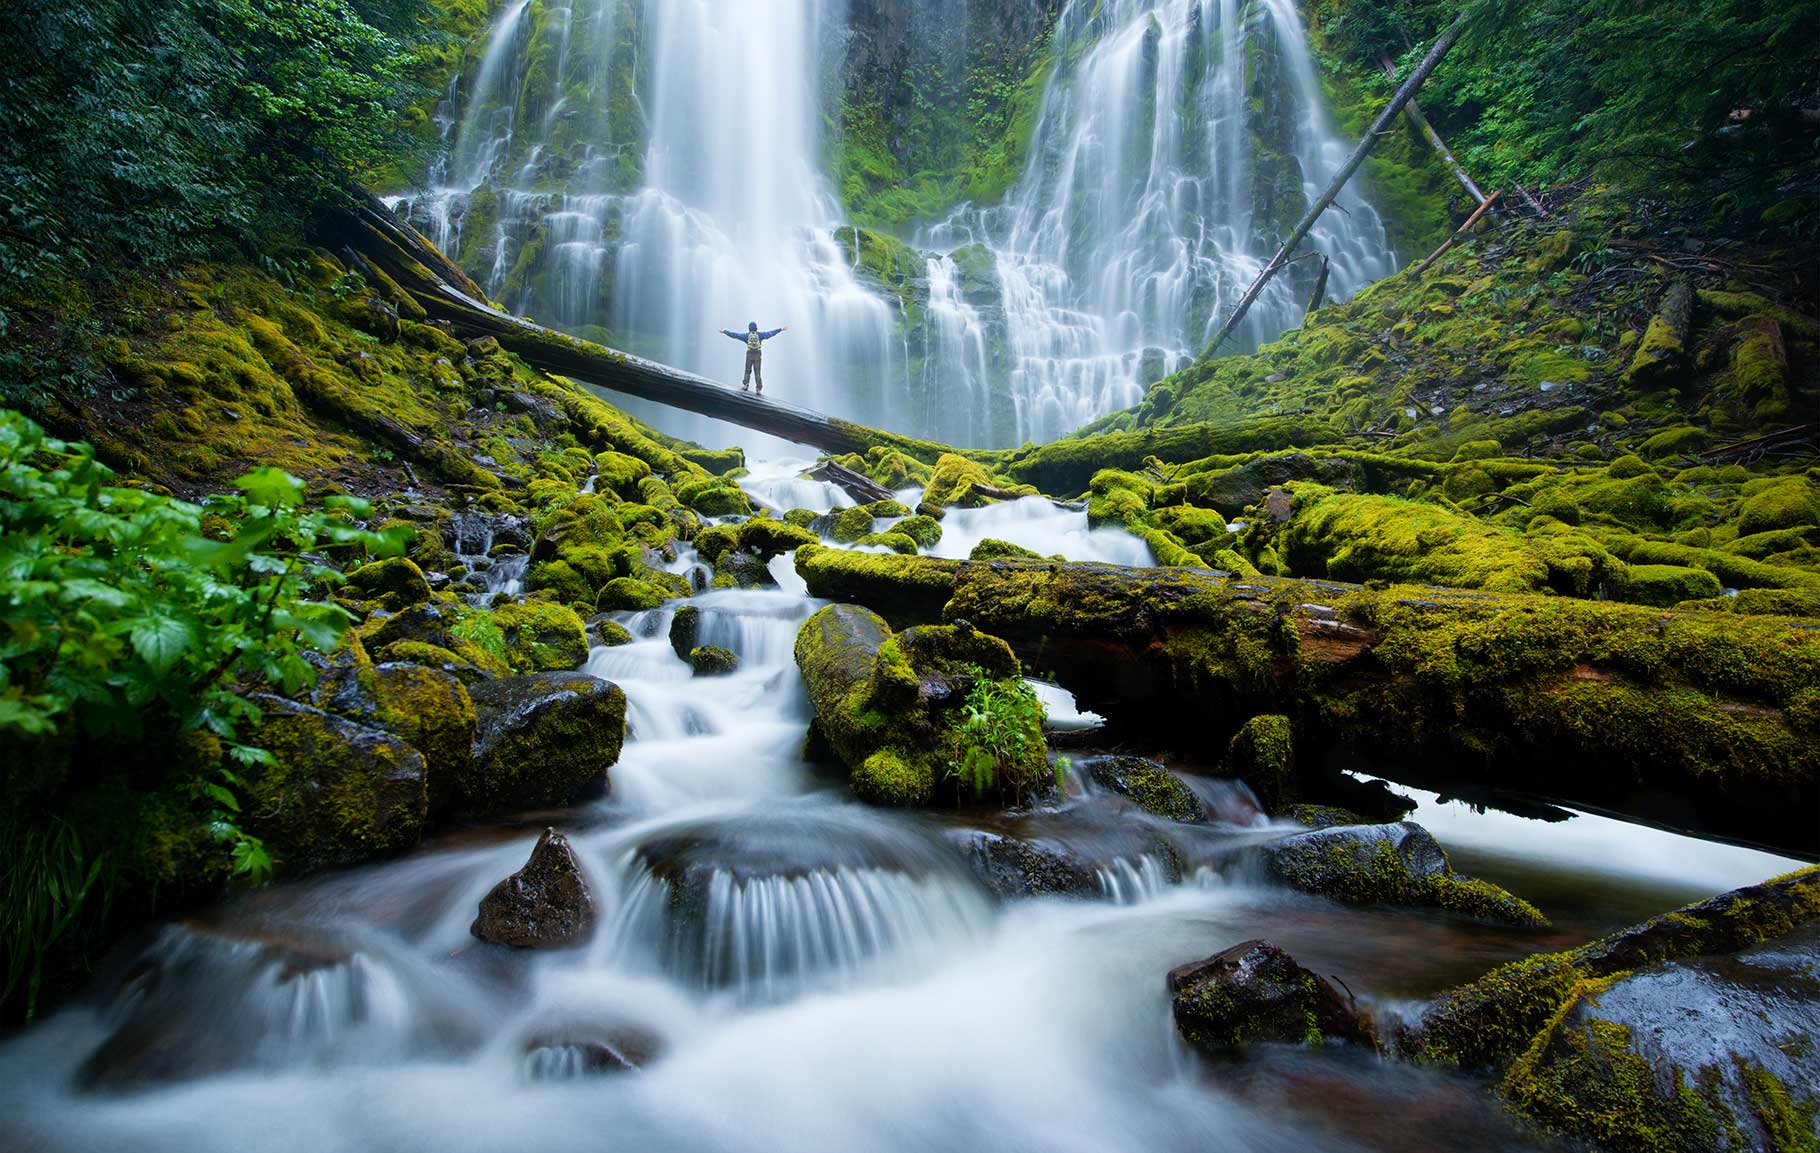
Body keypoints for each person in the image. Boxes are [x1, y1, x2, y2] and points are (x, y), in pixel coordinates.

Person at [721, 321, 787, 394]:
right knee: (757, 372)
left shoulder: (746, 336)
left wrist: (725, 331)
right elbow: (770, 334)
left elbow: (735, 335)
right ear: (756, 328)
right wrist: (780, 329)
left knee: (747, 370)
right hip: (757, 355)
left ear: (749, 328)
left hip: (749, 354)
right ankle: (758, 388)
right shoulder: (760, 335)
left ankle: (745, 385)